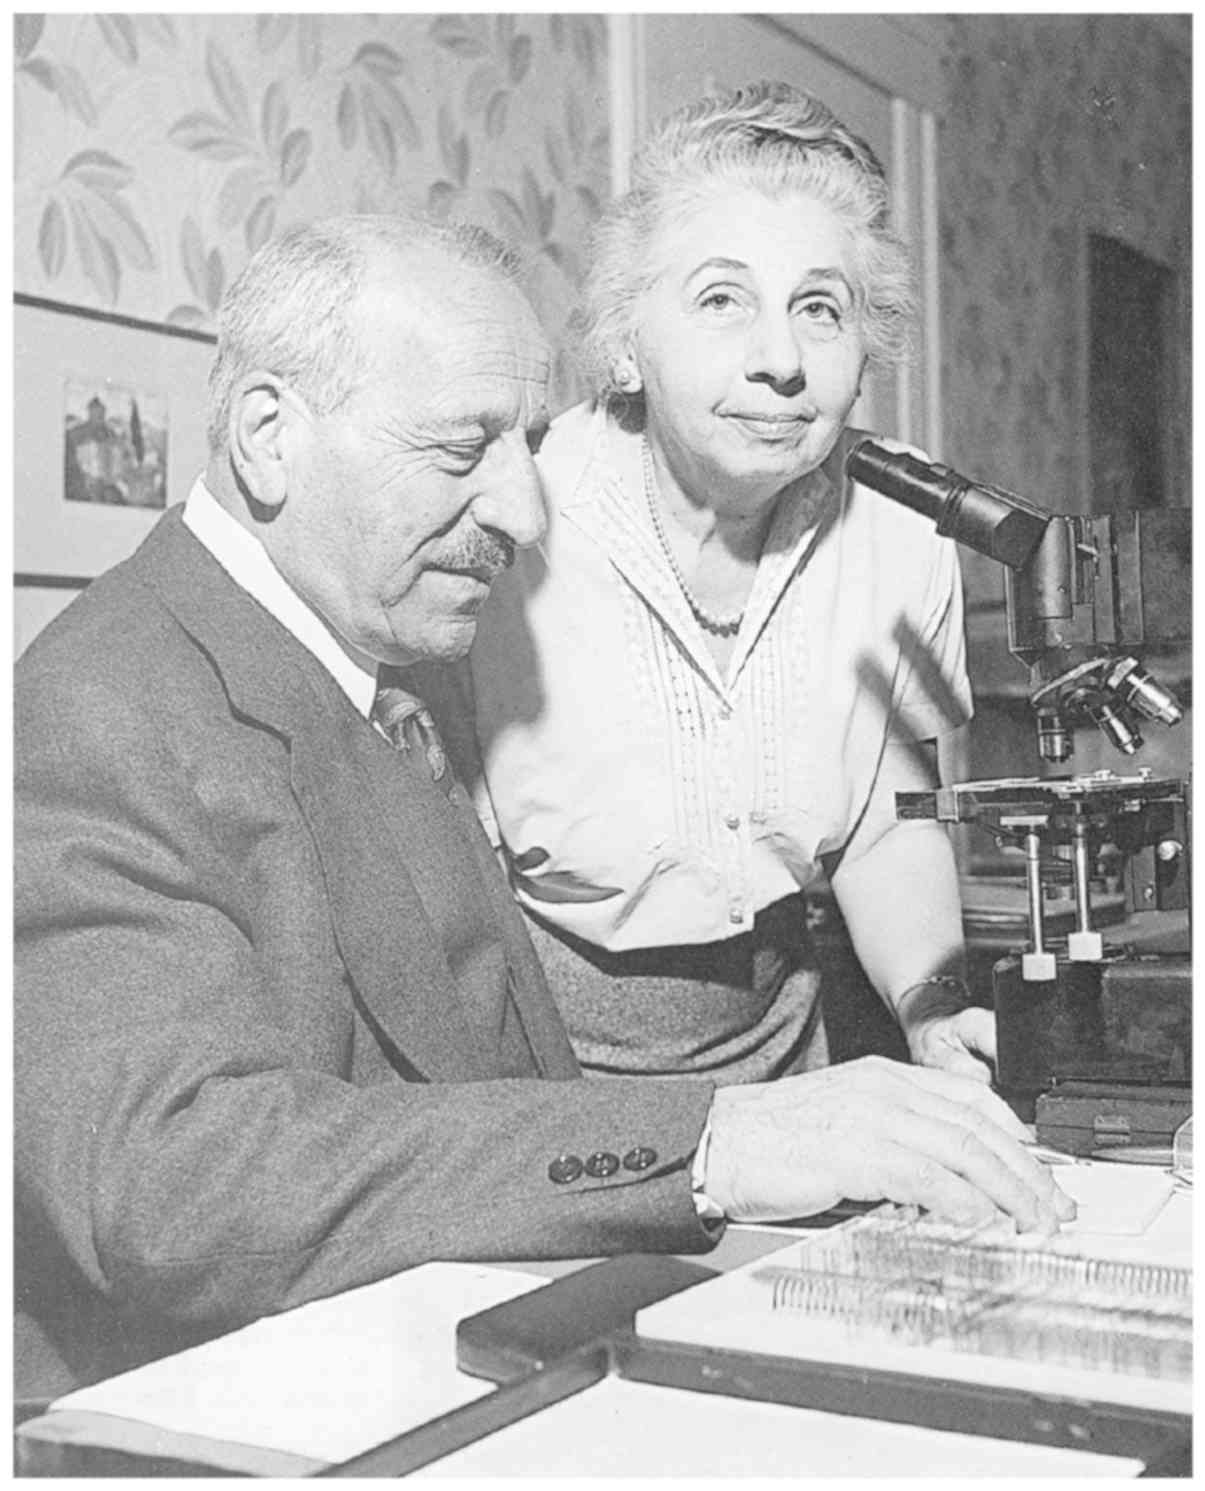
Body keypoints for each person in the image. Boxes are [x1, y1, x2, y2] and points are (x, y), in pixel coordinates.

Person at [15, 212, 1071, 1402]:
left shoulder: (361, 665)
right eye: (463, 448)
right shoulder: (94, 704)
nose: (523, 514)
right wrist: (714, 1142)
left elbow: (487, 1098)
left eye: (523, 446)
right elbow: (171, 1188)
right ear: (270, 438)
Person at [442, 82, 987, 1089]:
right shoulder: (507, 520)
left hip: (788, 1062)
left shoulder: (902, 524)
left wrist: (930, 1009)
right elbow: (440, 882)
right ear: (624, 343)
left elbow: (884, 821)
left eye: (818, 309)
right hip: (535, 1075)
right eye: (721, 300)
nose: (780, 360)